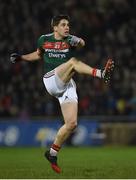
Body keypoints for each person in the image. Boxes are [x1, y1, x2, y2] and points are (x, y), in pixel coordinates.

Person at [10, 14, 114, 173]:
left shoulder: (69, 39)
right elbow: (38, 55)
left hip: (66, 84)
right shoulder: (44, 39)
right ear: (55, 27)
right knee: (73, 63)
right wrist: (21, 58)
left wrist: (78, 41)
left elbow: (81, 43)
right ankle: (101, 74)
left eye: (68, 25)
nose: (67, 27)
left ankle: (52, 153)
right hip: (51, 80)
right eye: (64, 24)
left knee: (72, 123)